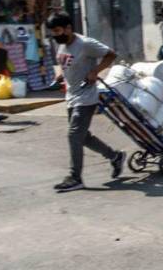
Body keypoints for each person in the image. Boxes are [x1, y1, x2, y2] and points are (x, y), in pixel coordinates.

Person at [46, 12, 126, 192]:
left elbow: (111, 54)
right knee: (83, 138)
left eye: (58, 31)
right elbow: (67, 63)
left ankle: (75, 177)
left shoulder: (85, 44)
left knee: (74, 135)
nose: (55, 35)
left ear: (68, 28)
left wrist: (95, 71)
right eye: (53, 32)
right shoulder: (62, 45)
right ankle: (115, 157)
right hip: (71, 96)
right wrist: (61, 76)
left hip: (86, 97)